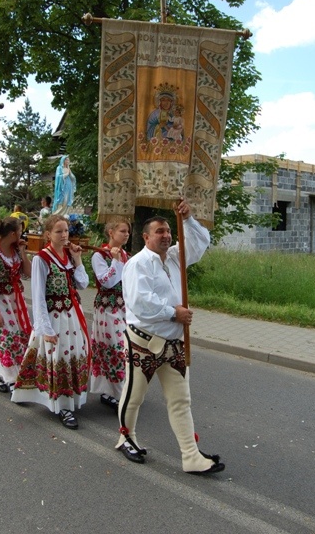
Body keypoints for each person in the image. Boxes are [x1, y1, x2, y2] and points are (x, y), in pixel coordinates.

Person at [116, 202, 225, 475]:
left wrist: (187, 219)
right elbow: (140, 303)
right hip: (144, 342)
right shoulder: (136, 264)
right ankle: (126, 438)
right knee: (135, 396)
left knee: (180, 400)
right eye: (159, 231)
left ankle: (190, 456)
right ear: (146, 237)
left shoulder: (176, 256)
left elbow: (201, 243)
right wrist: (173, 313)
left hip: (174, 344)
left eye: (168, 231)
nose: (166, 235)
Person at [12, 214, 89, 430]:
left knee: (72, 355)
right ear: (48, 234)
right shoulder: (41, 259)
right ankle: (62, 405)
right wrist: (44, 328)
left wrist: (78, 260)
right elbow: (38, 296)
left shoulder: (68, 255)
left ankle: (70, 397)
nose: (64, 235)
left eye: (66, 231)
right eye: (59, 231)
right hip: (53, 316)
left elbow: (82, 284)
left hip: (72, 315)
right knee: (56, 355)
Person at [0, 217, 32, 393]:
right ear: (13, 233)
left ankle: (2, 374)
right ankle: (9, 377)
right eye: (20, 231)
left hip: (14, 300)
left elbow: (27, 273)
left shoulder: (15, 250)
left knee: (17, 338)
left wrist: (23, 252)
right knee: (6, 339)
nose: (21, 234)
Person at [90, 215, 130, 410]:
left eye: (128, 231)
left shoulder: (127, 255)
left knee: (125, 350)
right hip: (107, 308)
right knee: (115, 349)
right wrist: (115, 262)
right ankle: (114, 392)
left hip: (123, 308)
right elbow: (106, 281)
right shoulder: (100, 255)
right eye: (122, 231)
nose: (126, 234)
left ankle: (116, 391)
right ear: (111, 232)